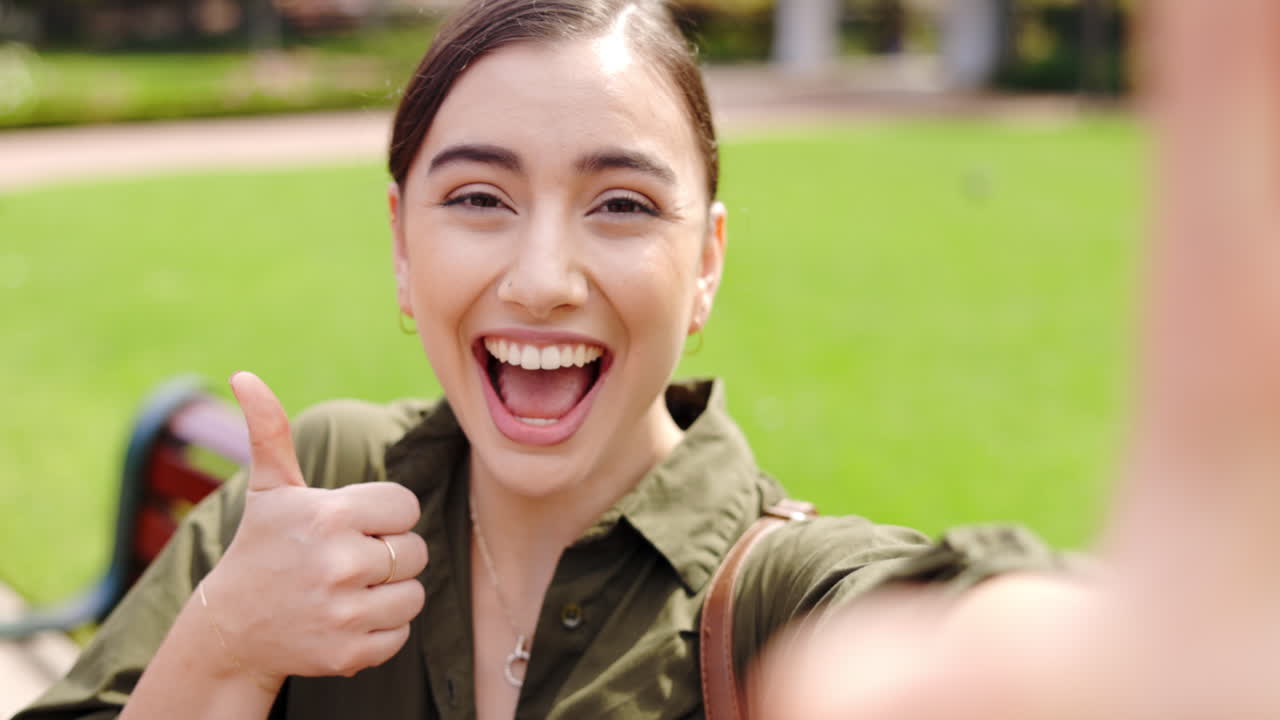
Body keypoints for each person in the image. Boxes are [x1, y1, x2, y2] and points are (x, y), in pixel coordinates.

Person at [16, 0, 1059, 718]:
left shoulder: (776, 605)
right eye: (479, 198)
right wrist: (227, 641)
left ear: (705, 262)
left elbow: (990, 625)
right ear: (399, 243)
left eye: (621, 205)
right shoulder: (326, 485)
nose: (542, 279)